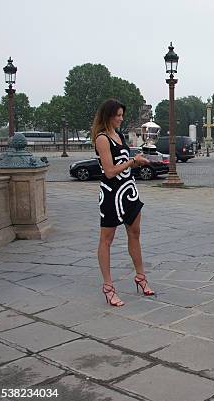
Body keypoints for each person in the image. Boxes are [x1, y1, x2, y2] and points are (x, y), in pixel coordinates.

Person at [93, 99, 153, 307]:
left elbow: (122, 165)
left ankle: (140, 276)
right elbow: (109, 171)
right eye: (117, 115)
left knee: (135, 233)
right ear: (108, 115)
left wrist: (136, 160)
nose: (121, 118)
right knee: (106, 239)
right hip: (112, 194)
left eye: (121, 115)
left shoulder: (118, 136)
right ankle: (108, 286)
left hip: (129, 191)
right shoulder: (102, 139)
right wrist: (132, 161)